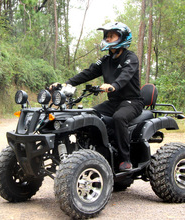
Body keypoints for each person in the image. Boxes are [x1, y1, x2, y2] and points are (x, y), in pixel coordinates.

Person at [50, 22, 144, 172]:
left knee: (119, 118)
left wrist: (113, 85)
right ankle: (99, 152)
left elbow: (126, 75)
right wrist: (66, 83)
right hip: (113, 102)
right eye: (106, 35)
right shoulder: (106, 60)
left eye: (111, 35)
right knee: (90, 116)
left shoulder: (130, 58)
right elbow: (88, 73)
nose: (107, 38)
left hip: (132, 102)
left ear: (122, 37)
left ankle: (125, 159)